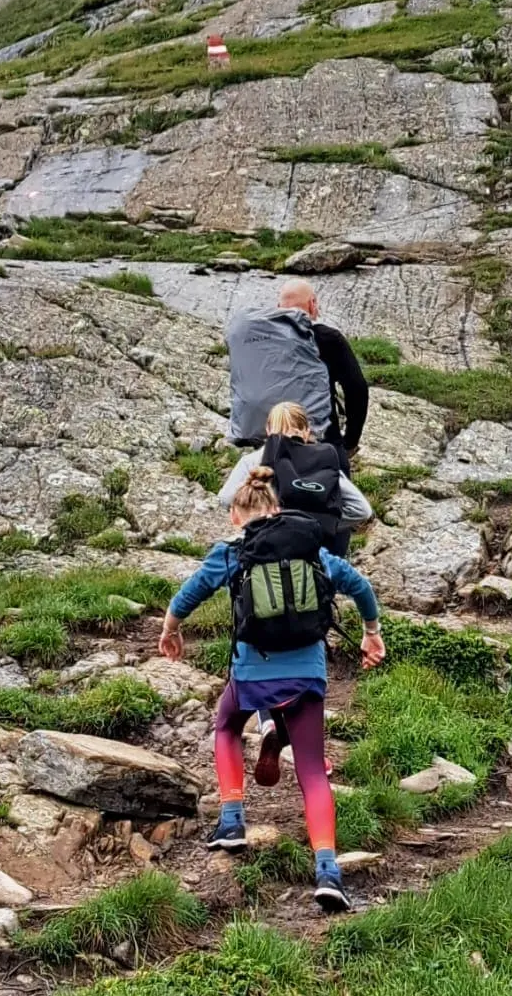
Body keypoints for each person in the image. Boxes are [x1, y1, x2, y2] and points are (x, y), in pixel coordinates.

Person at [159, 454, 386, 910]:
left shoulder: (231, 552)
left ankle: (231, 820)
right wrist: (371, 633)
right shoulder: (313, 551)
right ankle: (328, 871)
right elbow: (360, 586)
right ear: (278, 509)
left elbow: (187, 595)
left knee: (226, 724)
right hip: (306, 674)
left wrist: (171, 630)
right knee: (312, 771)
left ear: (235, 516)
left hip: (252, 673)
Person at [226, 278, 369, 462]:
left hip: (261, 442)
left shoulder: (252, 339)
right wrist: (349, 442)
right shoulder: (326, 338)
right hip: (319, 442)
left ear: (279, 308)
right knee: (337, 474)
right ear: (312, 304)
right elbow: (357, 389)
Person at [217, 399, 376, 557]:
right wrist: (324, 523)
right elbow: (362, 510)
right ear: (307, 431)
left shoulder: (251, 462)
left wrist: (256, 519)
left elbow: (225, 499)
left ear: (268, 430)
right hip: (310, 549)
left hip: (261, 547)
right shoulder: (323, 462)